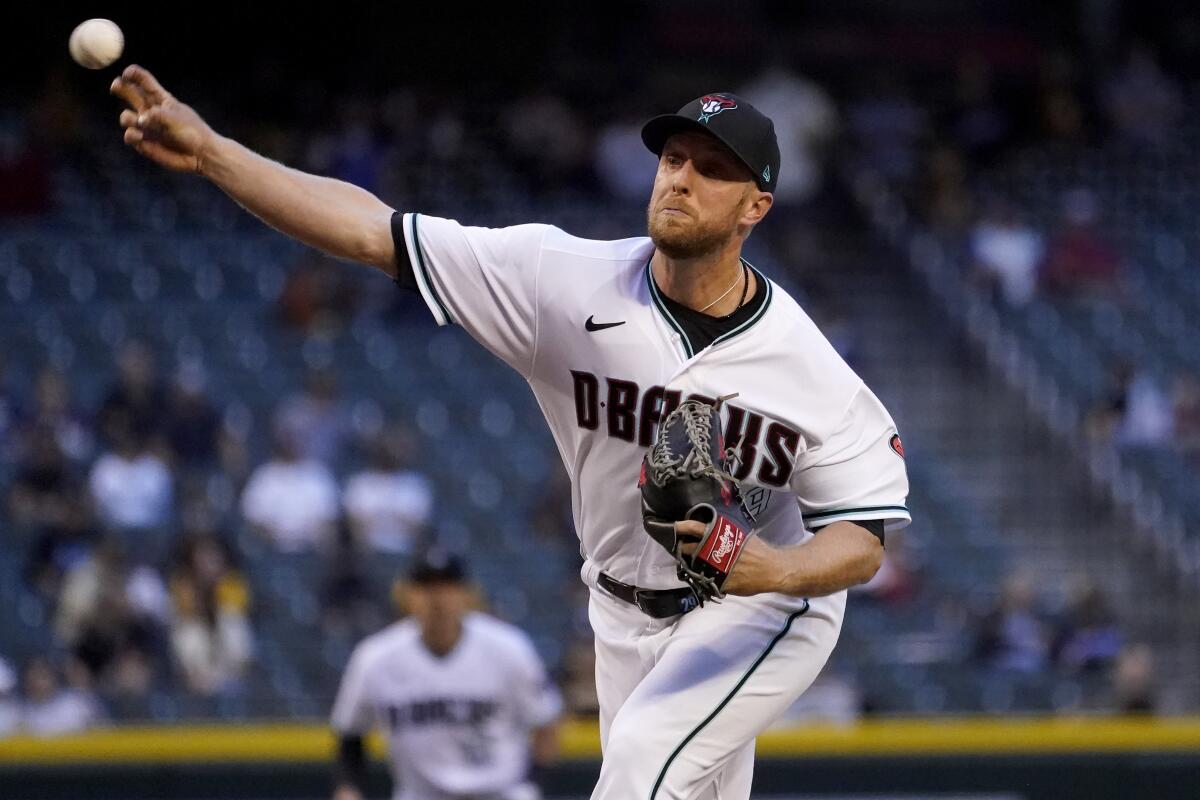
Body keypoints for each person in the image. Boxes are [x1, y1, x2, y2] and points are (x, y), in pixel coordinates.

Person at [111, 67, 911, 799]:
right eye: (674, 158)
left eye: (712, 168)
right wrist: (215, 153)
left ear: (756, 206)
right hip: (622, 612)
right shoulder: (558, 282)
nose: (681, 177)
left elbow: (864, 539)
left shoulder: (809, 366)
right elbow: (372, 232)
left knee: (638, 763)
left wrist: (773, 567)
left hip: (764, 608)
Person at [330, 552, 561, 800]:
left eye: (447, 586)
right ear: (406, 595)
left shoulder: (508, 648)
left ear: (468, 594)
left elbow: (546, 722)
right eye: (425, 587)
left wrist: (531, 784)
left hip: (499, 793)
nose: (437, 598)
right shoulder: (375, 658)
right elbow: (350, 732)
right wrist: (348, 788)